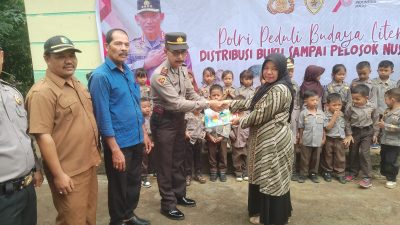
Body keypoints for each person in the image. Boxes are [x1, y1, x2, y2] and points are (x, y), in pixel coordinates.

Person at [25, 35, 101, 225]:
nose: (69, 61)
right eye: (61, 56)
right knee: (72, 220)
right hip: (68, 172)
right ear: (46, 58)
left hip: (88, 164)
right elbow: (43, 137)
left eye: (71, 55)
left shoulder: (75, 83)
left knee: (89, 217)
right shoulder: (42, 92)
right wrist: (58, 175)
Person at [150, 32, 224, 220]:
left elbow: (192, 94)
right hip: (164, 121)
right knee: (165, 163)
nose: (180, 57)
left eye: (183, 52)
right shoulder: (159, 76)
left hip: (179, 119)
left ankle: (179, 194)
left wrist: (209, 104)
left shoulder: (182, 69)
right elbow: (176, 103)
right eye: (175, 52)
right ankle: (167, 204)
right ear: (166, 51)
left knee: (179, 159)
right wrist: (208, 104)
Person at [89, 29, 152, 225]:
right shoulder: (100, 76)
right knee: (118, 186)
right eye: (118, 44)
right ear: (107, 47)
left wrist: (144, 134)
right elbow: (102, 115)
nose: (124, 48)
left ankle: (128, 216)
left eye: (126, 44)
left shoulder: (128, 71)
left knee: (134, 182)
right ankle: (117, 220)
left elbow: (135, 104)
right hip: (119, 143)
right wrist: (114, 149)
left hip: (136, 138)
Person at [227, 53, 294, 225]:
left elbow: (261, 114)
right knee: (263, 175)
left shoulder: (280, 89)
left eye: (274, 69)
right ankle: (262, 211)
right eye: (266, 68)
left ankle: (274, 218)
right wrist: (227, 105)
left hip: (274, 142)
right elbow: (252, 101)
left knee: (272, 177)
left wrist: (239, 120)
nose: (269, 72)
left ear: (282, 70)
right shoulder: (268, 87)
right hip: (263, 140)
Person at [0, 46, 43, 225]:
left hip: (26, 188)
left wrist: (37, 167)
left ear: (1, 57)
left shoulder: (12, 94)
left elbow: (25, 134)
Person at [126, 0, 193, 82]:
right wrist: (145, 63)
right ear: (137, 19)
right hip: (140, 94)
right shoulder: (131, 47)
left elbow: (188, 76)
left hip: (169, 93)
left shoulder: (175, 45)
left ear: (161, 16)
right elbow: (121, 73)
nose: (149, 21)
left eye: (153, 15)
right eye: (144, 16)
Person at [343, 84, 379, 188]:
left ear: (366, 98)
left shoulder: (372, 107)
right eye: (353, 98)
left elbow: (376, 121)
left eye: (357, 99)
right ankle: (352, 172)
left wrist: (375, 134)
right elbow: (346, 120)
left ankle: (367, 177)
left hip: (367, 132)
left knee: (364, 153)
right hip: (354, 132)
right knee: (353, 152)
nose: (354, 101)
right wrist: (349, 134)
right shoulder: (350, 107)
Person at [297, 90, 326, 184]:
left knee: (316, 158)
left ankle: (313, 174)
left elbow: (323, 127)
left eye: (317, 100)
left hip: (318, 141)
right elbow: (301, 128)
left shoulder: (321, 113)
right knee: (305, 158)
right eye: (312, 100)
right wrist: (300, 139)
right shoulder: (303, 113)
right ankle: (303, 174)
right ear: (306, 101)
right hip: (306, 140)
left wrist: (324, 138)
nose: (315, 102)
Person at [206, 84, 231, 182]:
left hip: (222, 137)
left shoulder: (225, 110)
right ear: (210, 97)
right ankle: (213, 171)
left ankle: (222, 171)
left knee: (223, 154)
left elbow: (227, 124)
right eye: (213, 95)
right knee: (211, 155)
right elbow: (207, 124)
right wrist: (209, 135)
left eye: (218, 95)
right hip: (211, 137)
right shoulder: (208, 110)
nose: (216, 97)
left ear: (222, 96)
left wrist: (222, 136)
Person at [321, 93, 347, 184]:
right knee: (328, 156)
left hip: (339, 139)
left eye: (339, 105)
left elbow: (346, 126)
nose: (337, 107)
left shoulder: (342, 114)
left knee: (340, 157)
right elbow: (328, 127)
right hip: (329, 138)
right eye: (334, 105)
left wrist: (348, 136)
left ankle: (340, 173)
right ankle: (327, 172)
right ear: (328, 105)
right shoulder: (325, 115)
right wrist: (334, 117)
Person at [377, 88, 400, 189]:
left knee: (392, 161)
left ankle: (392, 179)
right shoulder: (387, 110)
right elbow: (382, 122)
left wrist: (385, 125)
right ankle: (386, 174)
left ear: (393, 99)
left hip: (395, 142)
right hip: (385, 140)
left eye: (386, 99)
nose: (384, 101)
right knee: (384, 158)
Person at [184, 108, 206, 186]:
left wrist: (204, 133)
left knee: (198, 158)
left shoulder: (203, 116)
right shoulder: (187, 115)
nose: (198, 109)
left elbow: (205, 126)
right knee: (188, 158)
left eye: (200, 107)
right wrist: (185, 132)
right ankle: (188, 175)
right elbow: (183, 125)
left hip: (199, 139)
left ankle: (198, 174)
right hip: (189, 139)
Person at [229, 95, 249, 182]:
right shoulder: (232, 116)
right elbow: (228, 127)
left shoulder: (248, 116)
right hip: (236, 141)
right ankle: (238, 173)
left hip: (246, 141)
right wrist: (231, 135)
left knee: (246, 157)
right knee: (236, 158)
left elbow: (251, 128)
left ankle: (245, 172)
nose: (239, 107)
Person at [287, 57, 301, 181]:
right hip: (281, 117)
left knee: (293, 144)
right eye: (287, 70)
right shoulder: (277, 84)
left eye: (292, 70)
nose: (290, 72)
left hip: (293, 116)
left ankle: (292, 170)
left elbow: (298, 103)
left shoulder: (296, 84)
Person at [140, 97, 153, 188]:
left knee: (152, 156)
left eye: (149, 106)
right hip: (143, 139)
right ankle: (143, 177)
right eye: (144, 107)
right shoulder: (139, 118)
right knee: (144, 158)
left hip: (152, 138)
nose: (147, 108)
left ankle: (152, 172)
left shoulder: (152, 117)